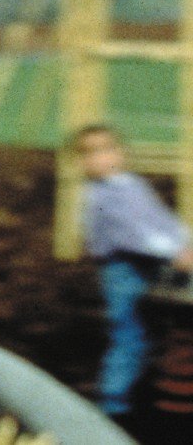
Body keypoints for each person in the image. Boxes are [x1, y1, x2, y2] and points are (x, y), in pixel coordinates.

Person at [76, 123, 193, 418]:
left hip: (149, 265)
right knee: (128, 333)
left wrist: (185, 240)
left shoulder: (132, 185)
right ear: (81, 162)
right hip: (122, 271)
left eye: (107, 149)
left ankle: (156, 386)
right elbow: (131, 234)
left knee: (151, 329)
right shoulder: (99, 197)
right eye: (90, 153)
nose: (100, 158)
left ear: (121, 152)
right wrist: (174, 251)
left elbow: (160, 219)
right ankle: (113, 403)